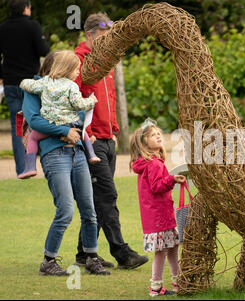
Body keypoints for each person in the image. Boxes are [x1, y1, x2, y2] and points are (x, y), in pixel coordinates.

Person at [21, 51, 110, 276]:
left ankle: (91, 257)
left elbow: (77, 115)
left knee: (89, 210)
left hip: (77, 153)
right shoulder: (37, 87)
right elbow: (34, 121)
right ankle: (48, 261)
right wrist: (63, 131)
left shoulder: (68, 87)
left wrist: (79, 127)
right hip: (54, 154)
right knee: (66, 210)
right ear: (56, 66)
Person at [74, 12, 148, 269]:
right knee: (108, 196)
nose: (109, 43)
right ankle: (122, 252)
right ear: (89, 35)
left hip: (108, 139)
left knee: (97, 200)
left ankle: (84, 253)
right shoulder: (79, 62)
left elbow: (111, 99)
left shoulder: (107, 61)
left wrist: (114, 130)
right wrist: (88, 132)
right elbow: (75, 100)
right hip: (91, 141)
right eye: (104, 38)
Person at [18, 50, 100, 179]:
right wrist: (91, 101)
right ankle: (92, 154)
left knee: (32, 137)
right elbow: (79, 105)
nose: (78, 73)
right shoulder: (72, 86)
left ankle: (30, 167)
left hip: (55, 125)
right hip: (65, 135)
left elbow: (29, 85)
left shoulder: (44, 83)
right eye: (76, 69)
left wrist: (22, 83)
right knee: (83, 132)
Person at [130, 118, 186, 297]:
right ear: (144, 142)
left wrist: (170, 178)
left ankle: (178, 281)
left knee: (172, 248)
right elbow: (157, 187)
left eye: (159, 134)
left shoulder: (150, 162)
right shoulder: (154, 164)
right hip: (159, 216)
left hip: (159, 215)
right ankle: (156, 287)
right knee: (162, 251)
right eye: (153, 135)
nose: (158, 136)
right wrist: (172, 179)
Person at [0, 0, 49, 176]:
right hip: (31, 82)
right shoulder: (32, 26)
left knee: (17, 126)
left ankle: (22, 169)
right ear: (26, 9)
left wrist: (2, 75)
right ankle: (44, 163)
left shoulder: (3, 28)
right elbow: (44, 50)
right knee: (38, 121)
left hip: (11, 82)